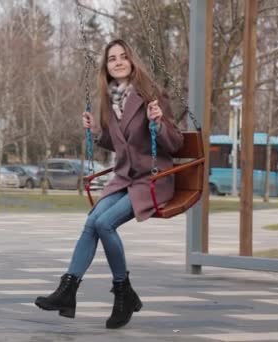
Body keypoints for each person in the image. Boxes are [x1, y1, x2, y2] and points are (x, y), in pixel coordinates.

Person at [34, 39, 183, 329]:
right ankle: (68, 290)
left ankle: (123, 292)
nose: (117, 62)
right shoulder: (108, 100)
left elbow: (175, 144)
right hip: (125, 177)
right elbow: (118, 142)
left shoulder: (152, 95)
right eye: (112, 58)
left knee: (104, 224)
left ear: (132, 62)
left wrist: (159, 123)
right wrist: (95, 131)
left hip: (152, 179)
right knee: (92, 222)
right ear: (106, 66)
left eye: (123, 57)